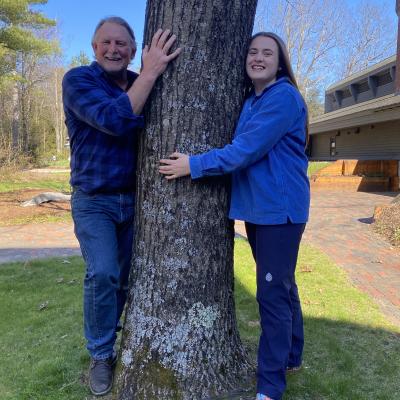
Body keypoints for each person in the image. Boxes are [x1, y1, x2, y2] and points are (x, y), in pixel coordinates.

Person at [159, 32, 309, 400]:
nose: (258, 58)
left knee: (272, 293)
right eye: (253, 52)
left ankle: (270, 387)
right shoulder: (251, 101)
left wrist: (193, 164)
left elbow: (244, 150)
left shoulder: (282, 98)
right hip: (261, 209)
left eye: (267, 53)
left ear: (280, 61)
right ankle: (292, 354)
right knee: (282, 285)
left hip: (280, 211)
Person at [62, 17, 180, 396]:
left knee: (126, 280)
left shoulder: (139, 81)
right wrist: (152, 71)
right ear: (95, 47)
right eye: (106, 43)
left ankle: (117, 338)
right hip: (94, 201)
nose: (114, 50)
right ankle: (100, 354)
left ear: (133, 49)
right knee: (103, 273)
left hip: (135, 201)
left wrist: (147, 76)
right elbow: (113, 119)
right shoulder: (79, 81)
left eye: (122, 44)